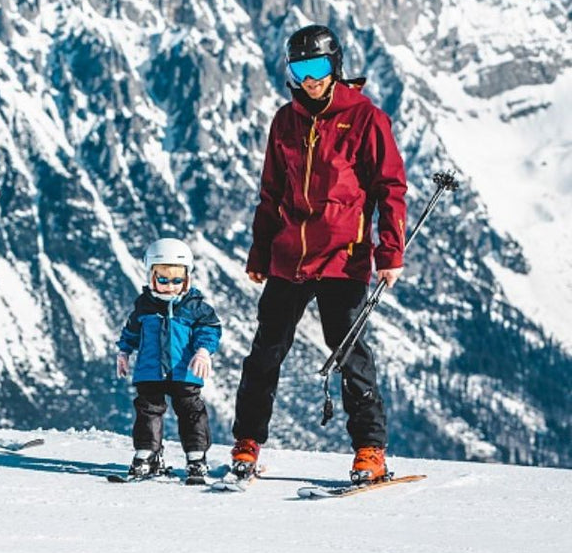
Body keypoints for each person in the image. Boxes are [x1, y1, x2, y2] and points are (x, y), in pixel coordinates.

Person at [230, 24, 407, 483]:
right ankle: (247, 442)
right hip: (289, 256)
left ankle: (370, 449)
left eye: (318, 67)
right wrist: (260, 252)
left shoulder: (366, 119)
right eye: (300, 68)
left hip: (343, 257)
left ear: (335, 67)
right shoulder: (285, 121)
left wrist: (391, 251)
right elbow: (271, 192)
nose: (309, 78)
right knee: (265, 351)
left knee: (348, 352)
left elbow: (390, 188)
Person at [115, 238, 222, 482]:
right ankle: (147, 453)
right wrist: (124, 351)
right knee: (148, 410)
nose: (170, 286)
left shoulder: (195, 307)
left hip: (184, 371)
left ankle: (196, 457)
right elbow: (131, 331)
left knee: (191, 411)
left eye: (177, 280)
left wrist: (203, 350)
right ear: (151, 276)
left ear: (187, 278)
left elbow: (210, 329)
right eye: (163, 279)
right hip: (150, 371)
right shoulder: (144, 306)